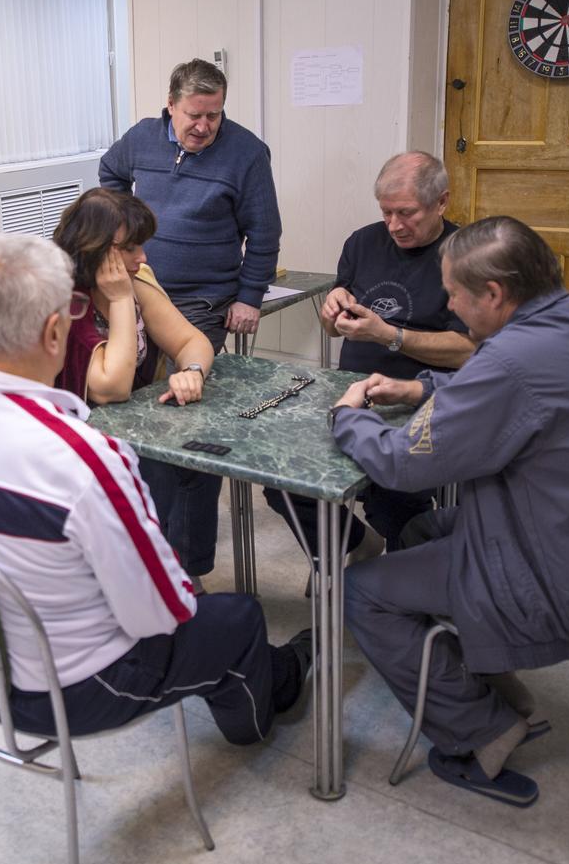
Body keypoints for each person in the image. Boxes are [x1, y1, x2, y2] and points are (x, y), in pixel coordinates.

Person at [0, 233, 310, 744]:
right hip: (78, 690)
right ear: (52, 331)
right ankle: (255, 726)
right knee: (238, 617)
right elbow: (163, 612)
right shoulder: (84, 460)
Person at [329, 216, 569, 807]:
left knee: (360, 589)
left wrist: (346, 413)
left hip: (564, 582)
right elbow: (525, 398)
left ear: (493, 294)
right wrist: (421, 390)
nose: (451, 307)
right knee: (416, 528)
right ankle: (480, 679)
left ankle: (478, 732)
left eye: (455, 296)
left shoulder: (511, 359)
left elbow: (401, 465)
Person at [264, 152, 474, 560]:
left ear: (442, 202)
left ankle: (394, 582)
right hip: (352, 397)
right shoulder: (362, 242)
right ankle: (360, 547)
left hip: (422, 402)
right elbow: (334, 327)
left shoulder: (465, 255)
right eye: (386, 212)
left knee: (397, 502)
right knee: (282, 480)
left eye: (407, 213)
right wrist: (333, 311)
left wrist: (390, 336)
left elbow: (468, 351)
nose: (394, 225)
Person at [52, 189, 219, 587]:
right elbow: (111, 387)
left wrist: (192, 370)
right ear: (98, 250)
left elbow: (191, 341)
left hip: (134, 424)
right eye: (130, 249)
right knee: (154, 466)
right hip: (81, 434)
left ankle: (187, 573)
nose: (142, 258)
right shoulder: (65, 298)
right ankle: (156, 577)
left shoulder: (135, 276)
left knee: (203, 455)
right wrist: (123, 300)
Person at [99, 58, 280, 351]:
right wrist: (126, 223)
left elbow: (265, 233)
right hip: (140, 288)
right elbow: (110, 170)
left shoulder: (248, 153)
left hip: (203, 301)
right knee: (127, 381)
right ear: (171, 104)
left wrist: (249, 298)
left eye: (214, 115)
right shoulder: (142, 137)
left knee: (182, 382)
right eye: (194, 115)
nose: (204, 126)